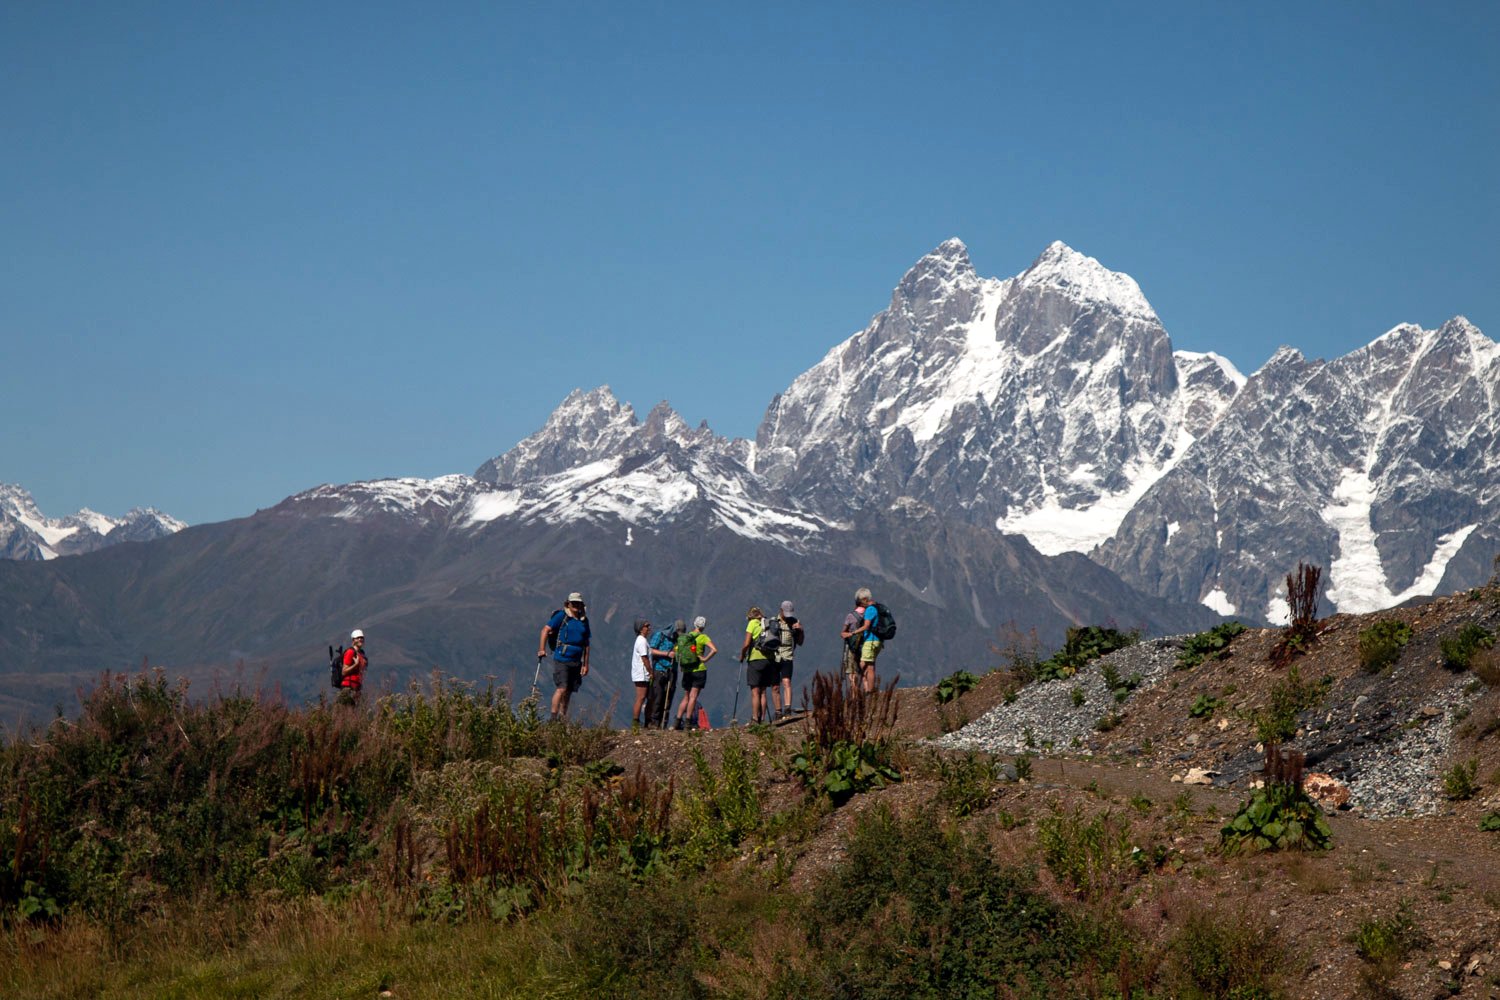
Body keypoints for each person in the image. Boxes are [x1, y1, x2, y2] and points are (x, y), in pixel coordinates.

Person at [538, 592, 591, 720]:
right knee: (562, 688)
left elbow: (586, 643)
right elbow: (545, 630)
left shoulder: (584, 620)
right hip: (562, 658)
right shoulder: (562, 616)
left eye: (578, 603)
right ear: (568, 603)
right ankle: (553, 718)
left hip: (576, 660)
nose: (576, 606)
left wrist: (585, 664)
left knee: (569, 690)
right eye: (574, 603)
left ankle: (562, 717)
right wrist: (541, 649)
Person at [673, 616, 718, 731]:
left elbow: (677, 650)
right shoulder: (703, 637)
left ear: (694, 624)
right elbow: (714, 649)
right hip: (699, 670)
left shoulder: (687, 637)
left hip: (687, 671)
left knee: (686, 696)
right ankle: (688, 722)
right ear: (704, 626)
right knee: (693, 697)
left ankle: (677, 722)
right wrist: (705, 659)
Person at [740, 606, 775, 724]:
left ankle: (755, 719)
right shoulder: (767, 623)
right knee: (763, 691)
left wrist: (742, 655)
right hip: (769, 659)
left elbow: (746, 644)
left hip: (755, 659)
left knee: (755, 691)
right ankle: (763, 718)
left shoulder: (752, 624)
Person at [841, 588, 881, 693]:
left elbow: (843, 632)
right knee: (865, 668)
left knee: (853, 672)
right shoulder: (874, 610)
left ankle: (857, 696)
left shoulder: (851, 616)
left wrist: (851, 633)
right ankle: (867, 690)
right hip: (867, 643)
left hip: (854, 646)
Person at [769, 600, 804, 718]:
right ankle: (778, 711)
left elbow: (800, 642)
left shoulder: (794, 622)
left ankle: (787, 708)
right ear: (781, 611)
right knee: (775, 686)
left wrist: (800, 631)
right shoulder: (773, 622)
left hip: (787, 656)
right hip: (774, 657)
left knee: (786, 682)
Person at [645, 619, 683, 728]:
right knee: (658, 696)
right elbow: (651, 650)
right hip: (659, 669)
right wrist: (667, 654)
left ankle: (663, 723)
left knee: (668, 697)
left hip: (672, 671)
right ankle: (653, 722)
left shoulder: (678, 640)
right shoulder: (660, 636)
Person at [629, 618, 654, 727]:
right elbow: (644, 658)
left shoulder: (642, 640)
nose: (649, 628)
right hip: (642, 673)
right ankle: (636, 722)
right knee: (641, 697)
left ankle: (645, 721)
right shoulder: (642, 641)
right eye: (646, 626)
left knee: (645, 697)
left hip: (641, 673)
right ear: (640, 628)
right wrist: (650, 671)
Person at [340, 628, 368, 700]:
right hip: (348, 687)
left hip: (356, 687)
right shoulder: (350, 652)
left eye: (361, 638)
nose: (360, 639)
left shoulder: (361, 654)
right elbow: (344, 672)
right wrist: (355, 664)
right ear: (353, 640)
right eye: (357, 638)